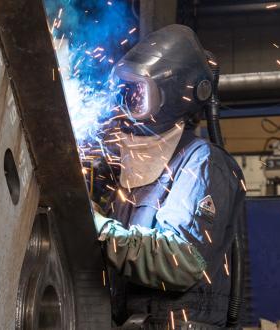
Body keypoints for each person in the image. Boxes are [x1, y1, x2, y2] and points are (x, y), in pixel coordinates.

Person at [91, 24, 248, 329]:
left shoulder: (203, 164)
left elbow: (180, 261)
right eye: (126, 91)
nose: (129, 104)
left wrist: (97, 229)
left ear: (176, 96)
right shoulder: (129, 164)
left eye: (139, 92)